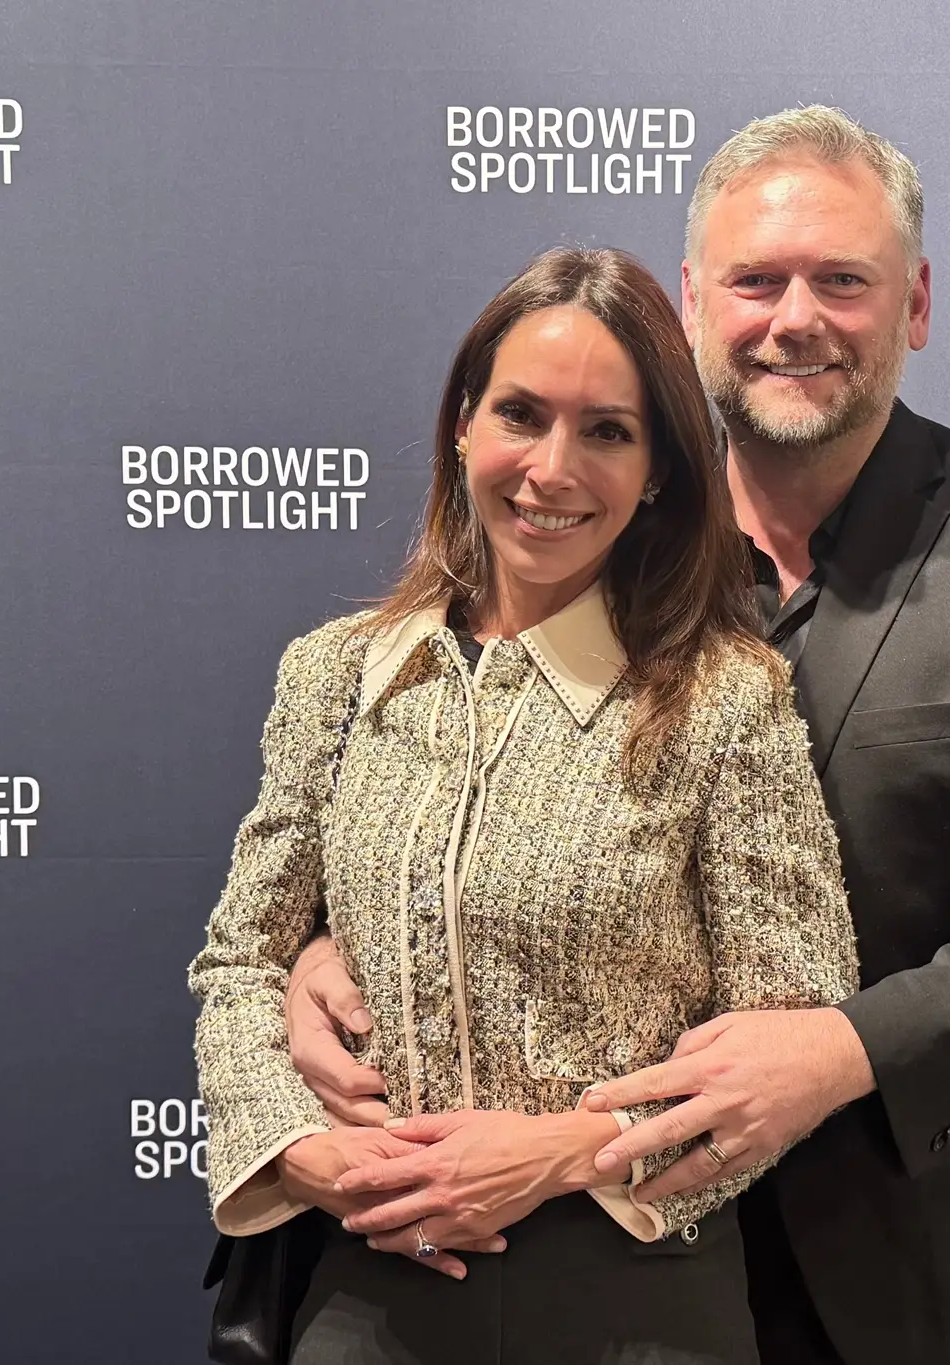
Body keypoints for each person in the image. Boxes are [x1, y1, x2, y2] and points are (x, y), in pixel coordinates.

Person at [285, 107, 950, 1365]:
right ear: (694, 304)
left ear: (913, 303)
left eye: (841, 282)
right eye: (755, 281)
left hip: (901, 1255)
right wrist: (335, 931)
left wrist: (839, 1050)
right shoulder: (585, 505)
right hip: (575, 1256)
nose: (792, 319)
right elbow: (437, 773)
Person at [188, 245, 861, 1365]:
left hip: (634, 1297)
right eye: (520, 414)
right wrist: (300, 1155)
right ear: (462, 425)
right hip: (368, 1287)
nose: (551, 469)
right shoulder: (335, 676)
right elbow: (240, 962)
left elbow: (789, 1034)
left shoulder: (722, 702)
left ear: (655, 474)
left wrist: (566, 1150)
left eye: (606, 431)